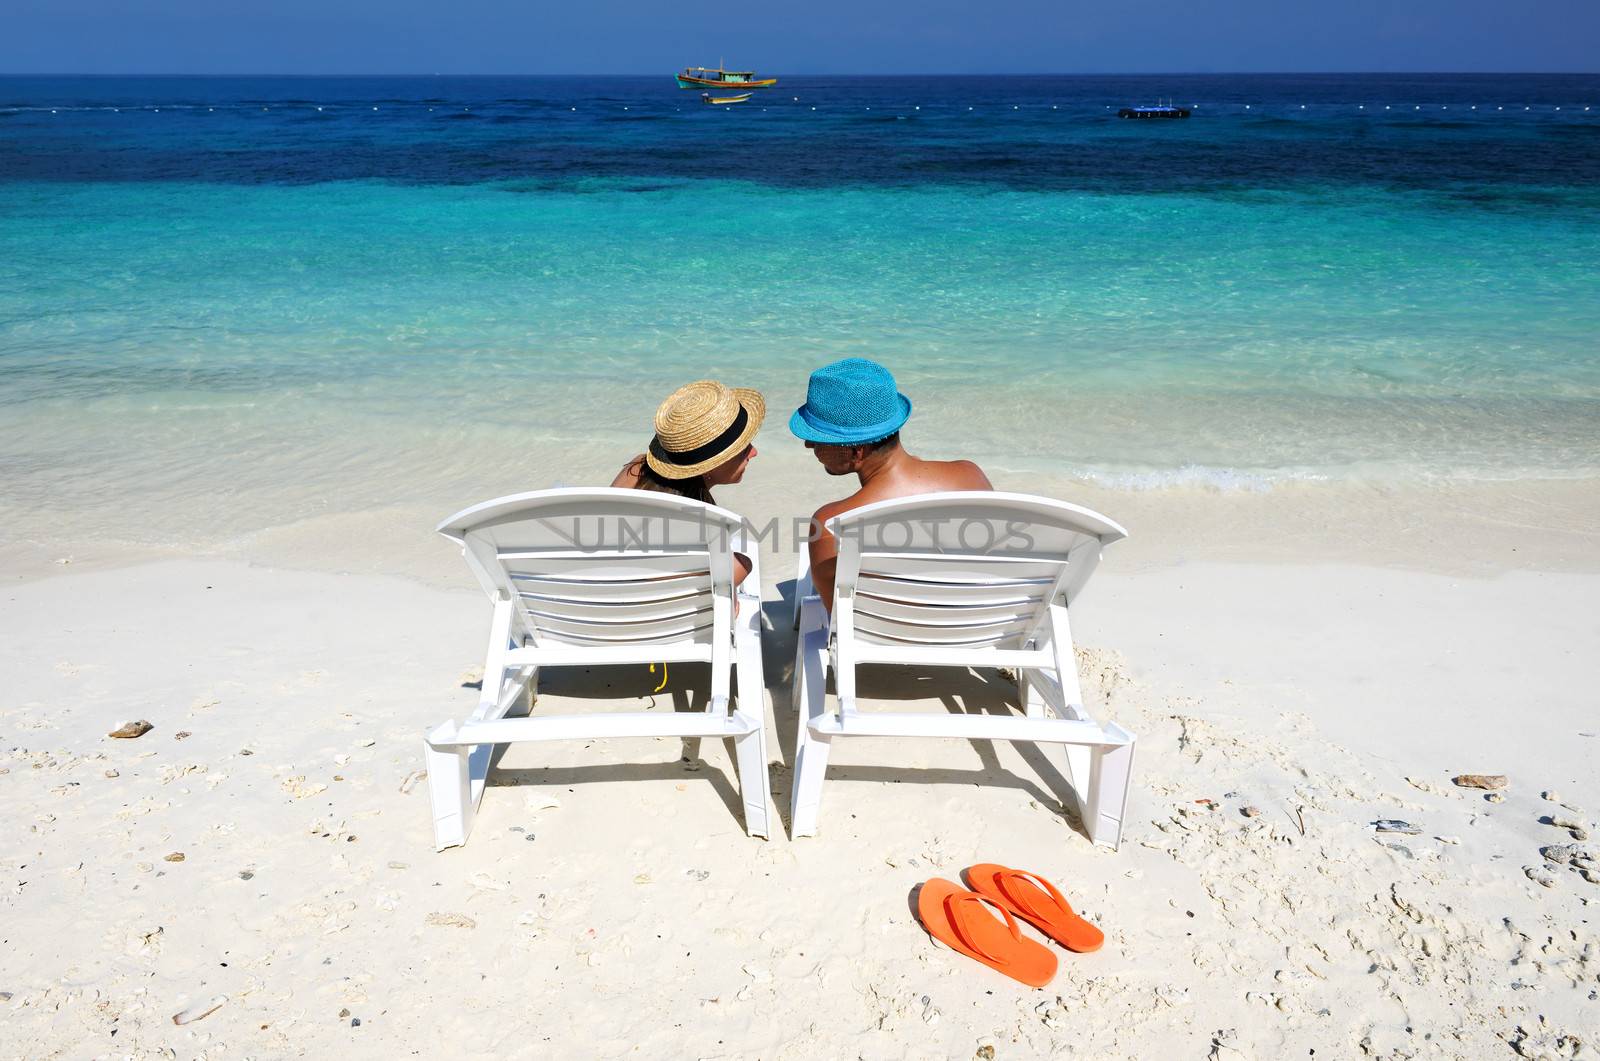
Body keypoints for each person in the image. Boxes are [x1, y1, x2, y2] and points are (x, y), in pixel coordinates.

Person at [789, 358, 991, 610]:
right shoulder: (971, 476)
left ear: (857, 451)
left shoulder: (831, 525)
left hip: (878, 641)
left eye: (818, 439)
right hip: (973, 628)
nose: (809, 445)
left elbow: (836, 617)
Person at [613, 379, 762, 586]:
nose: (754, 453)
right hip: (660, 611)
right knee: (743, 564)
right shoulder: (702, 521)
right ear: (710, 465)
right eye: (743, 449)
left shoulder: (637, 469)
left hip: (601, 597)